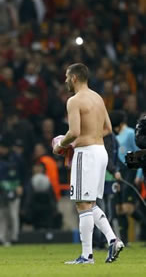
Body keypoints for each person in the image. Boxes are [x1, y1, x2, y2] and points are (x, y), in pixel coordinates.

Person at [52, 63, 123, 264]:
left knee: (82, 204)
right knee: (90, 203)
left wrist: (61, 145)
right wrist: (89, 137)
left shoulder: (74, 101)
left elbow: (73, 132)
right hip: (101, 152)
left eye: (67, 76)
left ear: (74, 78)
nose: (65, 80)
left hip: (87, 154)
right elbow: (109, 128)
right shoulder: (98, 98)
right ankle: (113, 239)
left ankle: (87, 255)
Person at [109, 110, 144, 245]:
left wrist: (139, 173)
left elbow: (138, 152)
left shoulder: (130, 133)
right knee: (119, 209)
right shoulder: (116, 135)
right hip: (120, 171)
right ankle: (125, 240)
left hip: (131, 170)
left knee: (128, 208)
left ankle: (144, 225)